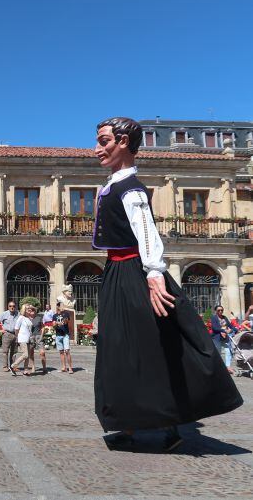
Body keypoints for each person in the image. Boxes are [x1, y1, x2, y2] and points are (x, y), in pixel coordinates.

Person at [92, 117, 242, 452]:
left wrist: (155, 276)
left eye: (104, 141)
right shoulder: (114, 184)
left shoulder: (130, 191)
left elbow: (147, 233)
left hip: (134, 272)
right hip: (117, 271)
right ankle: (128, 420)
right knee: (120, 350)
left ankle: (171, 422)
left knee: (151, 346)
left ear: (123, 143)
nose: (98, 148)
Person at [11, 304, 36, 376]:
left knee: (27, 356)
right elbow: (16, 328)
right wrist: (17, 337)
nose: (30, 310)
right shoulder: (21, 318)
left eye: (30, 309)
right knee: (25, 355)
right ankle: (13, 365)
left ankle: (25, 370)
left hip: (28, 339)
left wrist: (31, 307)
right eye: (28, 309)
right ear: (24, 310)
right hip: (22, 339)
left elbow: (35, 310)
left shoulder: (28, 318)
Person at [210, 305, 235, 374]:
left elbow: (230, 326)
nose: (220, 311)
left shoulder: (224, 317)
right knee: (218, 352)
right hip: (217, 337)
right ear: (216, 311)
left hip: (225, 337)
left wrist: (234, 329)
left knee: (228, 351)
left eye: (221, 310)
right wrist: (223, 331)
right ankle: (217, 367)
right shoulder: (214, 318)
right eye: (218, 310)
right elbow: (214, 328)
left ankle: (228, 367)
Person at [0, 302, 19, 372]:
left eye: (13, 306)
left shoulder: (18, 314)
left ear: (15, 307)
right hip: (7, 334)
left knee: (14, 351)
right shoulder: (4, 314)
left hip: (15, 334)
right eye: (10, 306)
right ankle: (5, 366)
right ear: (8, 307)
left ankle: (12, 366)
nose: (12, 307)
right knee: (5, 351)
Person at [53, 302, 73, 373]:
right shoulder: (55, 315)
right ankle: (63, 367)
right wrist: (56, 324)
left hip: (65, 335)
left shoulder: (66, 313)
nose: (63, 307)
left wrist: (61, 322)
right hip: (58, 335)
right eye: (62, 306)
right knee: (61, 352)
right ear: (58, 307)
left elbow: (66, 321)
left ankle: (70, 368)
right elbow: (54, 325)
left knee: (67, 351)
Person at [28, 304, 47, 374]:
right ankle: (33, 367)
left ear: (35, 311)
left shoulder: (39, 318)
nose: (32, 311)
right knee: (31, 353)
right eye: (30, 310)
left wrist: (42, 335)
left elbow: (43, 327)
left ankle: (44, 367)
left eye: (33, 310)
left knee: (42, 353)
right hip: (30, 336)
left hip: (38, 336)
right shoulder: (26, 319)